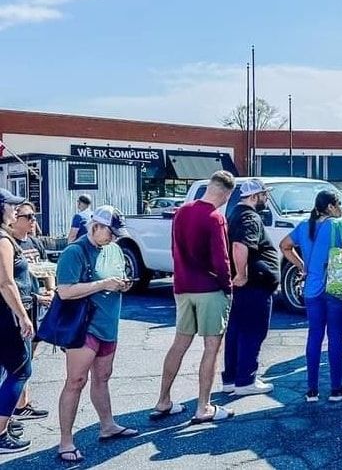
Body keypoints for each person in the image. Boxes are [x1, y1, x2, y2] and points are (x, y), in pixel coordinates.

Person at [55, 205, 138, 463]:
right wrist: (103, 284)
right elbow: (64, 291)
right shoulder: (75, 252)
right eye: (110, 232)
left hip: (108, 324)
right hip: (84, 326)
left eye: (116, 234)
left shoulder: (113, 249)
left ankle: (107, 425)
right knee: (76, 381)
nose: (113, 238)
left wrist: (121, 285)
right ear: (96, 226)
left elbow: (116, 278)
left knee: (103, 377)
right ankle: (65, 441)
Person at [152, 170, 235, 424]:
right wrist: (228, 286)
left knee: (180, 343)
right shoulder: (215, 218)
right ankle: (203, 406)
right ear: (226, 192)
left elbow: (174, 248)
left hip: (183, 286)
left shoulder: (182, 212)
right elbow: (221, 260)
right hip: (209, 289)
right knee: (212, 347)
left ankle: (163, 400)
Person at [280, 190, 342, 403]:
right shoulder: (340, 225)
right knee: (335, 336)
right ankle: (336, 389)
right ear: (331, 207)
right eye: (339, 204)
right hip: (335, 288)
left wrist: (302, 265)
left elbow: (284, 246)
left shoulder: (304, 226)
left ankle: (312, 390)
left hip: (311, 289)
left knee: (314, 336)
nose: (341, 208)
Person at [222, 179, 279, 396]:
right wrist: (242, 273)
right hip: (254, 285)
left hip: (246, 286)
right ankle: (246, 379)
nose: (266, 198)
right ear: (254, 197)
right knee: (253, 331)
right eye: (264, 194)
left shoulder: (235, 214)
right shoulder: (249, 217)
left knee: (236, 330)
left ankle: (232, 377)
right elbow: (239, 245)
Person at [9, 202, 51, 420]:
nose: (34, 220)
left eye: (35, 215)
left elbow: (46, 268)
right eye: (29, 216)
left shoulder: (34, 242)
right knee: (17, 362)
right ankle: (10, 409)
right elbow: (9, 282)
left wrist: (51, 290)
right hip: (20, 307)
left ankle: (22, 403)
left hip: (37, 306)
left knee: (29, 357)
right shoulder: (9, 244)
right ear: (16, 219)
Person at [0, 189, 34, 454]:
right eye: (10, 206)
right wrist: (23, 316)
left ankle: (6, 423)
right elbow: (6, 282)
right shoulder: (3, 239)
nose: (14, 210)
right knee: (21, 370)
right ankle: (0, 432)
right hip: (6, 315)